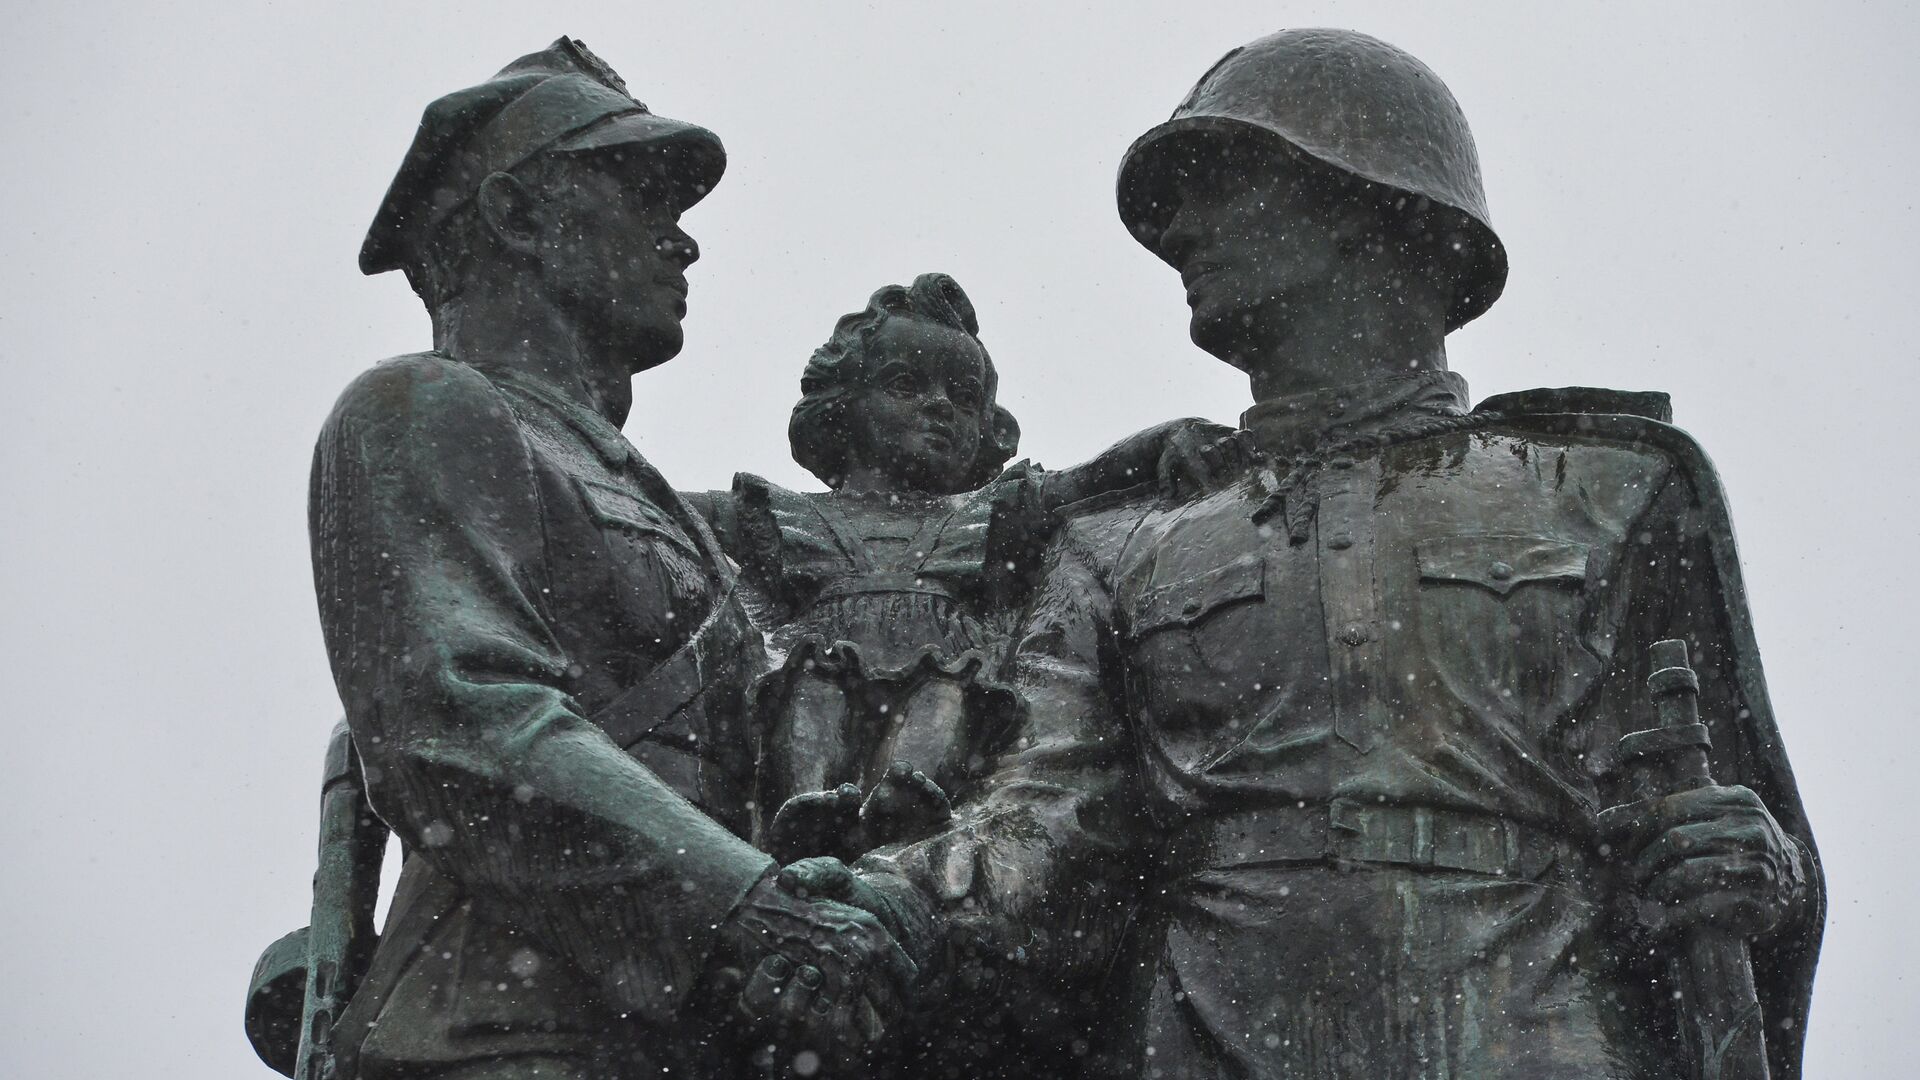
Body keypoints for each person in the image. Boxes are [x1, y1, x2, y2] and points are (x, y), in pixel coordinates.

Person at [846, 28, 1824, 1079]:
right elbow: (1047, 822)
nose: (1176, 231)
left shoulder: (1612, 488)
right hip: (1204, 1043)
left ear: (1370, 203)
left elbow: (1716, 825)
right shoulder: (1114, 544)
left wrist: (1759, 878)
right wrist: (872, 900)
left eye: (1217, 181)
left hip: (1542, 1042)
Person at [306, 38, 913, 1080]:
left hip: (673, 1042)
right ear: (517, 216)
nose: (682, 246)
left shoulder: (657, 498)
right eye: (644, 201)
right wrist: (747, 905)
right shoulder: (424, 406)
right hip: (501, 1039)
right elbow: (461, 724)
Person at [684, 273, 1227, 866]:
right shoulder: (782, 515)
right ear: (842, 406)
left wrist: (1164, 440)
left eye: (964, 397)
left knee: (943, 697)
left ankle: (913, 801)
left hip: (941, 667)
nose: (939, 405)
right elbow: (655, 505)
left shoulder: (985, 514)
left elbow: (1089, 479)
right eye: (904, 384)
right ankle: (806, 809)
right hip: (822, 666)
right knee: (810, 690)